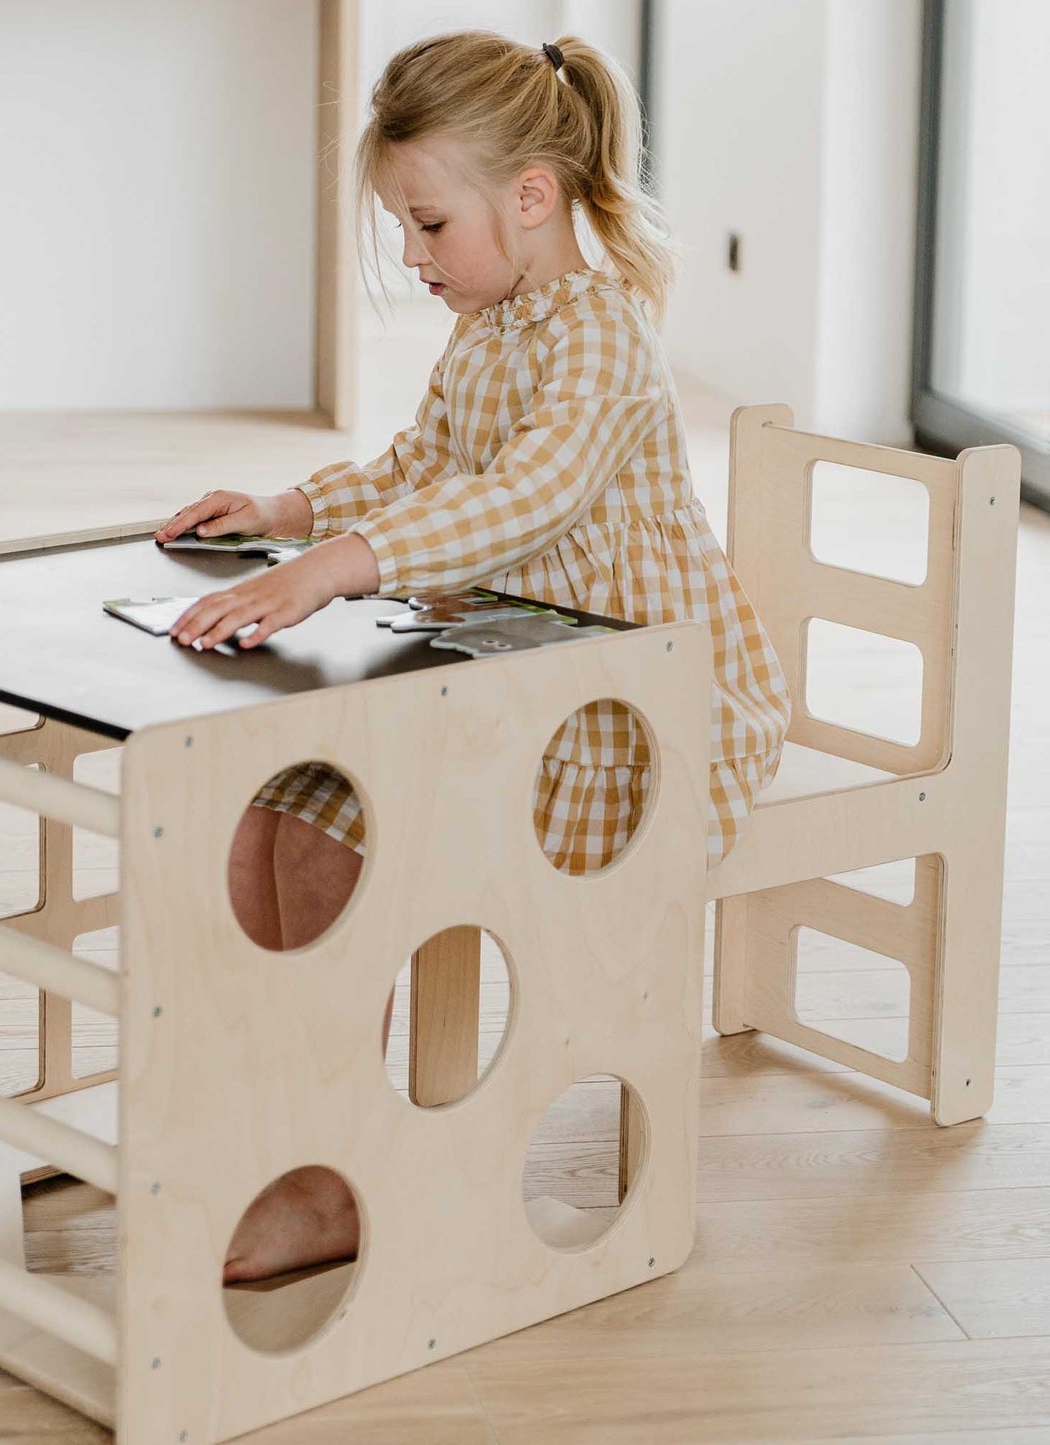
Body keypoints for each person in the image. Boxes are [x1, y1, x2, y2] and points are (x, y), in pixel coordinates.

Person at [154, 30, 791, 1285]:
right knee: (268, 820)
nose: (412, 255)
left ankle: (328, 1178)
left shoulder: (599, 335)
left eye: (428, 224)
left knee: (335, 846)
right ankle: (291, 1128)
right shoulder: (491, 327)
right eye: (405, 225)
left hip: (627, 712)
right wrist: (284, 511)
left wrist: (332, 567)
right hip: (519, 678)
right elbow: (415, 469)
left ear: (531, 196)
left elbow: (526, 497)